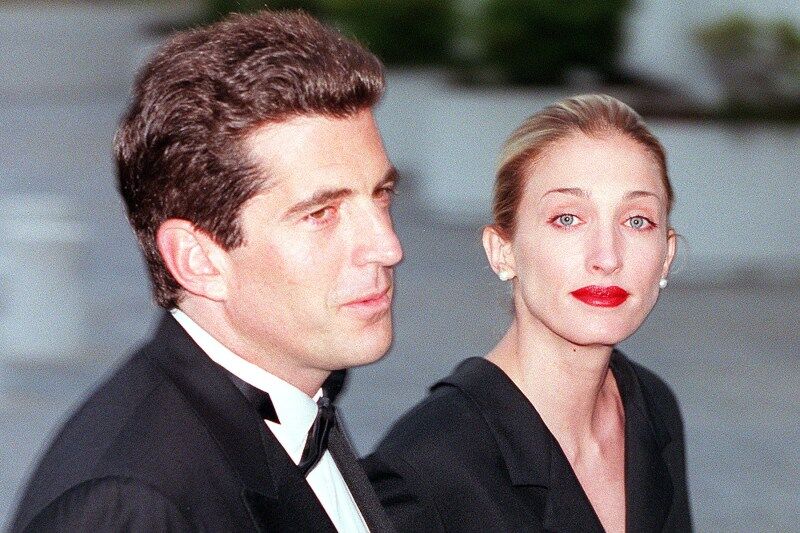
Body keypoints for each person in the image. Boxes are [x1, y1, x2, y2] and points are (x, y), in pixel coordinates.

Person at [11, 10, 402, 533]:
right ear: (198, 260)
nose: (387, 246)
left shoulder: (300, 388)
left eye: (381, 196)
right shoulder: (131, 505)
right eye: (320, 214)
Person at [364, 94, 692, 532]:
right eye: (568, 219)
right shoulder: (425, 471)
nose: (607, 256)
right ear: (503, 251)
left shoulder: (651, 406)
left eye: (636, 221)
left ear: (665, 256)